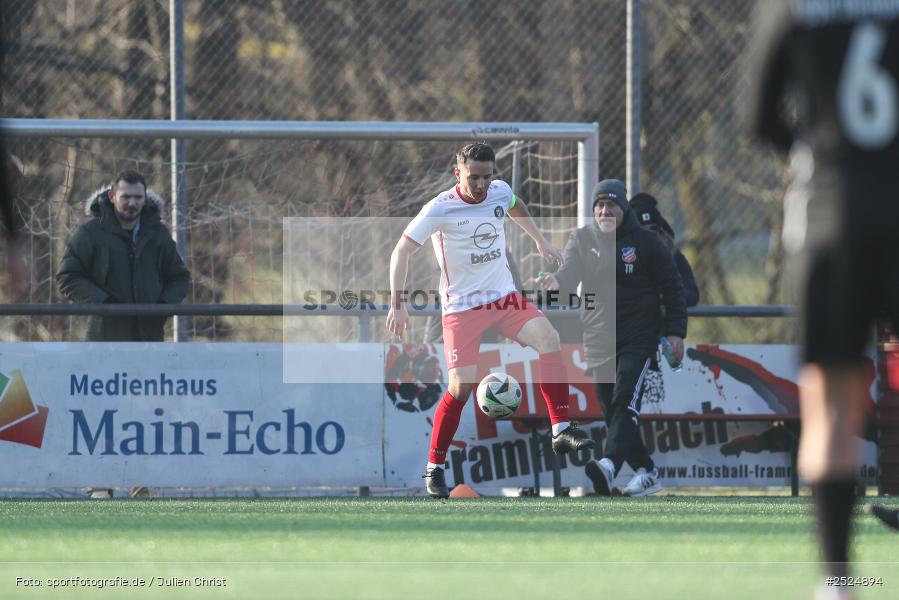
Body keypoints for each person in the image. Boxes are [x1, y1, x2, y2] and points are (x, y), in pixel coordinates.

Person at [747, 1, 899, 596]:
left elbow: (757, 116)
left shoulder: (795, 5)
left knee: (831, 409)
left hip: (831, 213)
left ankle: (840, 582)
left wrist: (819, 154)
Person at [386, 142, 595, 499]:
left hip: (504, 298)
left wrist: (540, 240)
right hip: (462, 309)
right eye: (473, 178)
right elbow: (401, 251)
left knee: (549, 338)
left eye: (486, 176)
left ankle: (561, 429)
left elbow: (515, 204)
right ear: (458, 174)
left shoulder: (498, 191)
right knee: (461, 387)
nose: (481, 185)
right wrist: (398, 303)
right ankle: (435, 467)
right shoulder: (439, 208)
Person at [539, 179, 687, 497]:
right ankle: (647, 471)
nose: (605, 211)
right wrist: (557, 281)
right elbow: (570, 273)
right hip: (598, 338)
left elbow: (674, 287)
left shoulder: (647, 242)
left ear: (624, 208)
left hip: (639, 336)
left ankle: (609, 465)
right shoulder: (581, 239)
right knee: (612, 410)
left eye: (612, 205)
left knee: (625, 399)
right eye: (600, 205)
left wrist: (676, 331)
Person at [57, 169, 190, 498]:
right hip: (104, 337)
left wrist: (163, 306)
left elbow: (179, 277)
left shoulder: (157, 234)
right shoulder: (90, 233)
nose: (131, 203)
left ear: (145, 199)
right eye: (126, 196)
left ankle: (140, 480)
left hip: (147, 338)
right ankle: (99, 482)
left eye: (137, 197)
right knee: (99, 409)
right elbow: (68, 277)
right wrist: (104, 304)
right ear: (112, 196)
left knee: (146, 408)